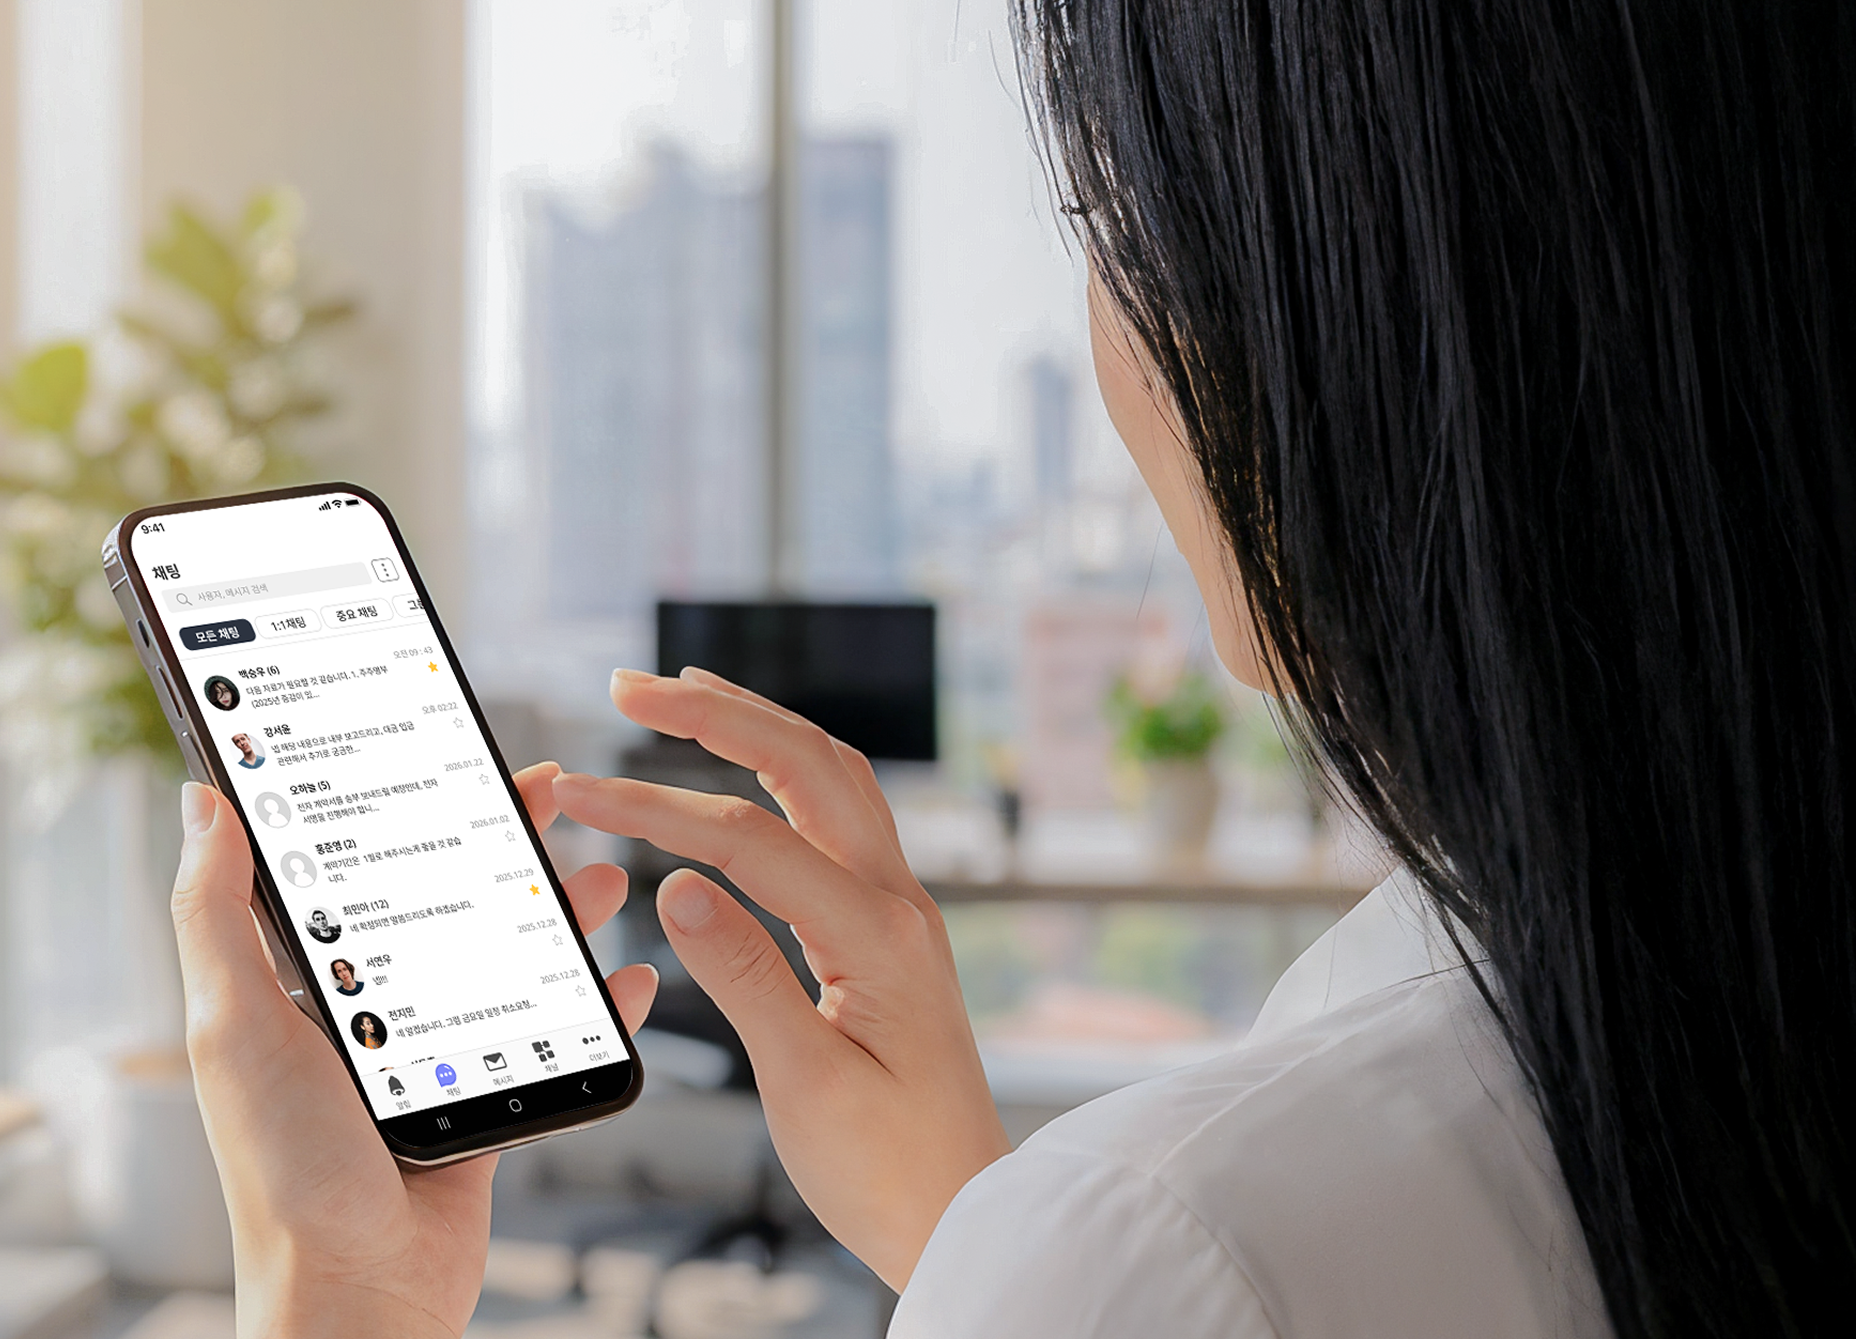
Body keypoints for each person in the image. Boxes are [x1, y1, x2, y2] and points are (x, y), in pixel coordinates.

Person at [162, 4, 1855, 1334]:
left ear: (1353, 314)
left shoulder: (1177, 1235)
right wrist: (973, 1227)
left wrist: (340, 1294)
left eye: (1115, 221)